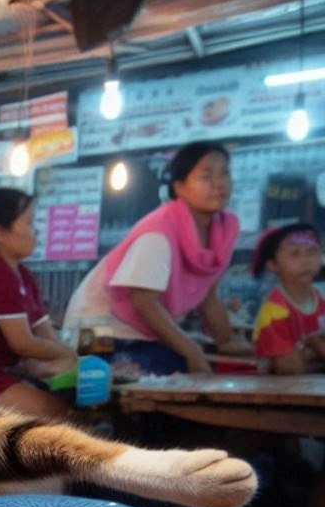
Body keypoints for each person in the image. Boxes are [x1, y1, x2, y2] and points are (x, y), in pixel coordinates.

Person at [63, 140, 252, 376]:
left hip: (140, 334)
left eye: (224, 173)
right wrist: (192, 351)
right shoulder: (159, 232)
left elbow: (209, 298)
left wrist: (228, 343)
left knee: (214, 363)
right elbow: (144, 302)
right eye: (206, 176)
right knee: (168, 370)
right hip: (92, 329)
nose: (218, 184)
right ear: (180, 187)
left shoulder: (222, 232)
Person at [0, 187, 77, 418]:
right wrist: (71, 356)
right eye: (28, 224)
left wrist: (70, 359)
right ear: (1, 232)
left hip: (10, 374)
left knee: (76, 408)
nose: (35, 232)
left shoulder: (24, 277)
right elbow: (23, 344)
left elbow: (46, 339)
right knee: (59, 416)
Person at [251, 222, 325, 374]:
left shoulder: (322, 298)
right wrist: (317, 346)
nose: (306, 260)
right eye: (295, 254)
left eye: (312, 251)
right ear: (273, 265)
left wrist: (312, 351)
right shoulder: (275, 310)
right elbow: (291, 369)